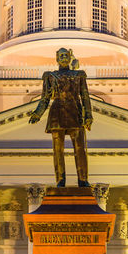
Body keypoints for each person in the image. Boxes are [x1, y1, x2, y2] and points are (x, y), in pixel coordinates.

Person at [28, 48, 93, 187]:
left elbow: (85, 96)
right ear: (57, 59)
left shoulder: (79, 75)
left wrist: (88, 115)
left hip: (75, 112)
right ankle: (60, 180)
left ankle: (83, 179)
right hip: (57, 114)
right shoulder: (50, 76)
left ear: (70, 58)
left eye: (66, 55)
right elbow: (45, 98)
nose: (64, 57)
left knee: (80, 149)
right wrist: (37, 114)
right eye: (61, 55)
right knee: (58, 150)